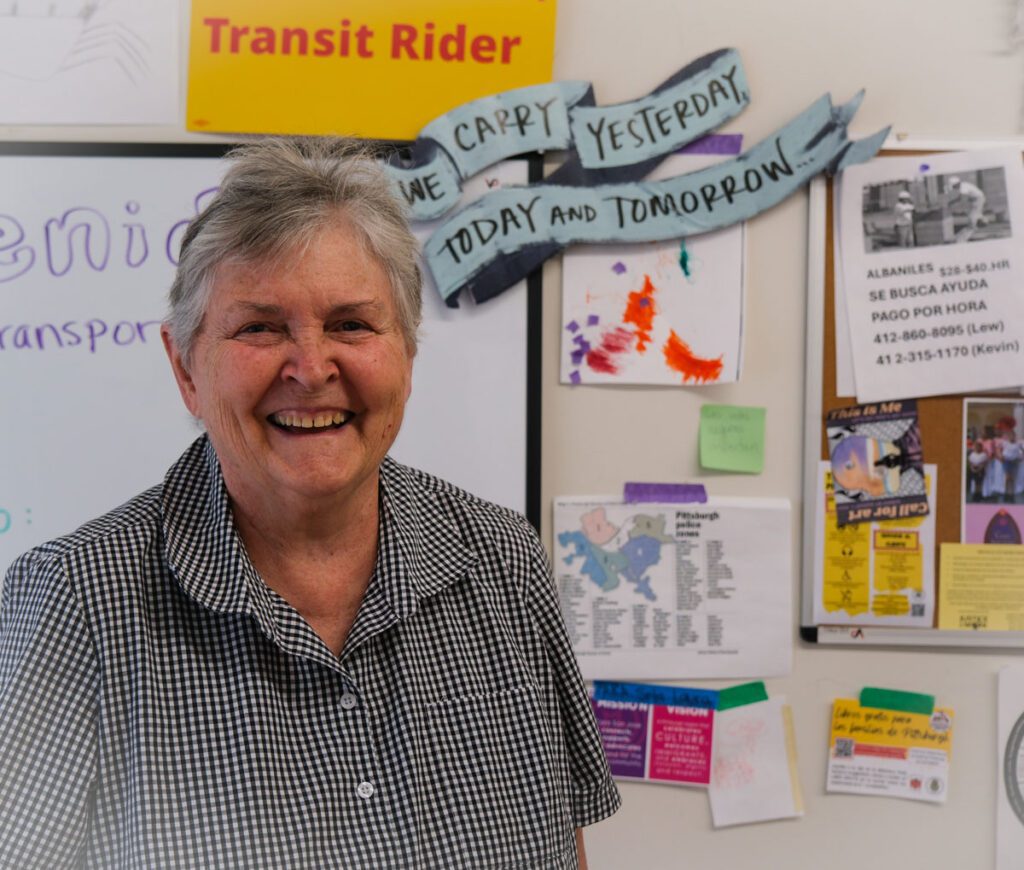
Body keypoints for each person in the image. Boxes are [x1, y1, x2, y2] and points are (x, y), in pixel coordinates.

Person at [0, 138, 619, 868]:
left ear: (408, 356)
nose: (311, 367)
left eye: (352, 324)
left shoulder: (504, 561)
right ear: (185, 369)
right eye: (260, 327)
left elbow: (565, 850)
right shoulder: (76, 601)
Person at [947, 175, 986, 242]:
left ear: (956, 184)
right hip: (975, 199)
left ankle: (963, 238)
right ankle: (982, 223)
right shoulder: (962, 186)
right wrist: (952, 202)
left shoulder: (963, 188)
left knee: (972, 218)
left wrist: (956, 209)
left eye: (953, 186)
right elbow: (960, 198)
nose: (954, 188)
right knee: (976, 215)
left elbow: (962, 200)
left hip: (978, 199)